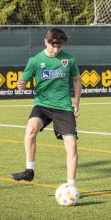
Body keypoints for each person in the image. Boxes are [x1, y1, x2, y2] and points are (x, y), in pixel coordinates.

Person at [11, 28, 82, 187]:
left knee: (72, 145)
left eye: (59, 47)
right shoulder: (35, 61)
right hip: (42, 105)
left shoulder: (69, 60)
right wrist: (20, 85)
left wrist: (76, 102)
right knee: (30, 130)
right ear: (46, 41)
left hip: (63, 107)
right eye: (53, 46)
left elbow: (77, 79)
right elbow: (22, 83)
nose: (56, 50)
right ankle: (29, 170)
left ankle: (71, 186)